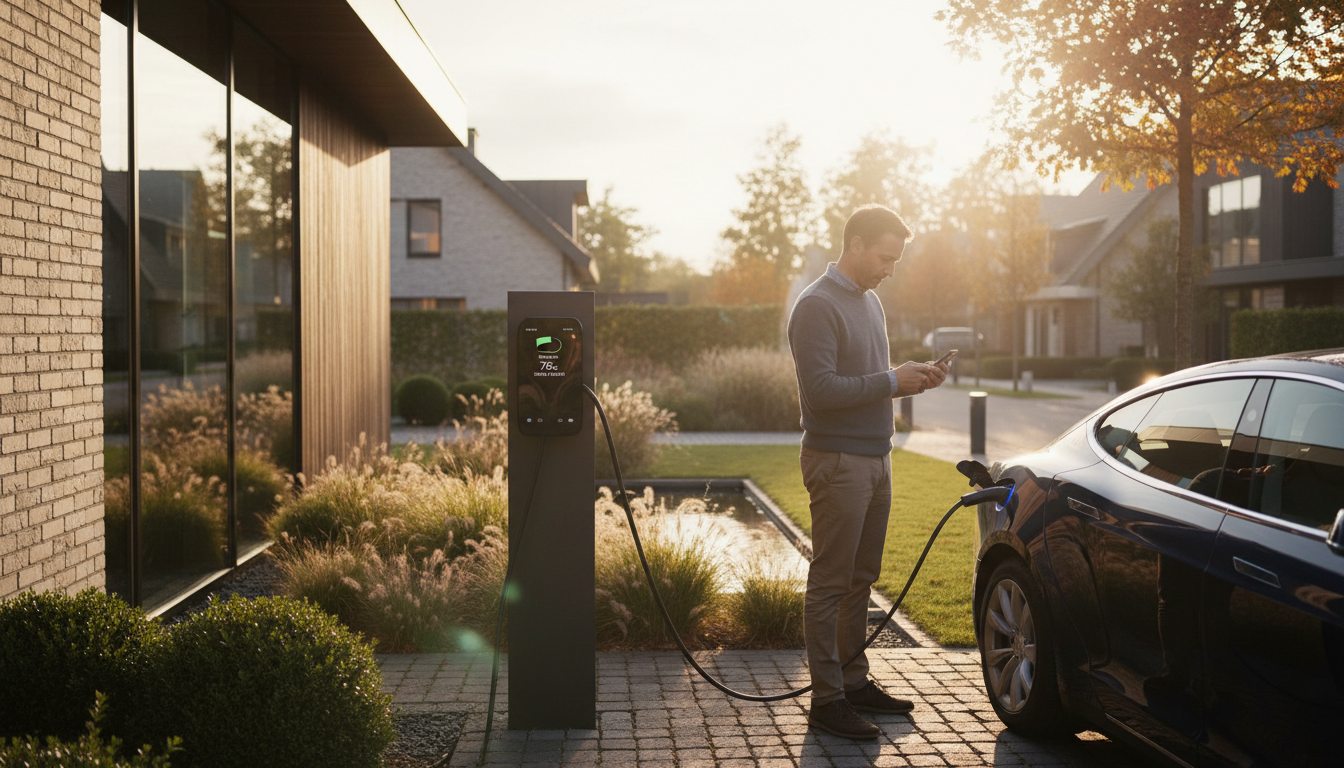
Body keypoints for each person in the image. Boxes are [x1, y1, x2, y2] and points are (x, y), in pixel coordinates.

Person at [787, 204, 949, 740]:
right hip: (837, 461)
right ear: (854, 244)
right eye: (884, 257)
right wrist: (890, 380)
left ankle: (854, 683)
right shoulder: (815, 306)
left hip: (876, 458)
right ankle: (827, 700)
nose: (890, 268)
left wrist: (913, 378)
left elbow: (872, 376)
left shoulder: (871, 302)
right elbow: (823, 392)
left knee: (862, 579)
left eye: (896, 259)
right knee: (831, 582)